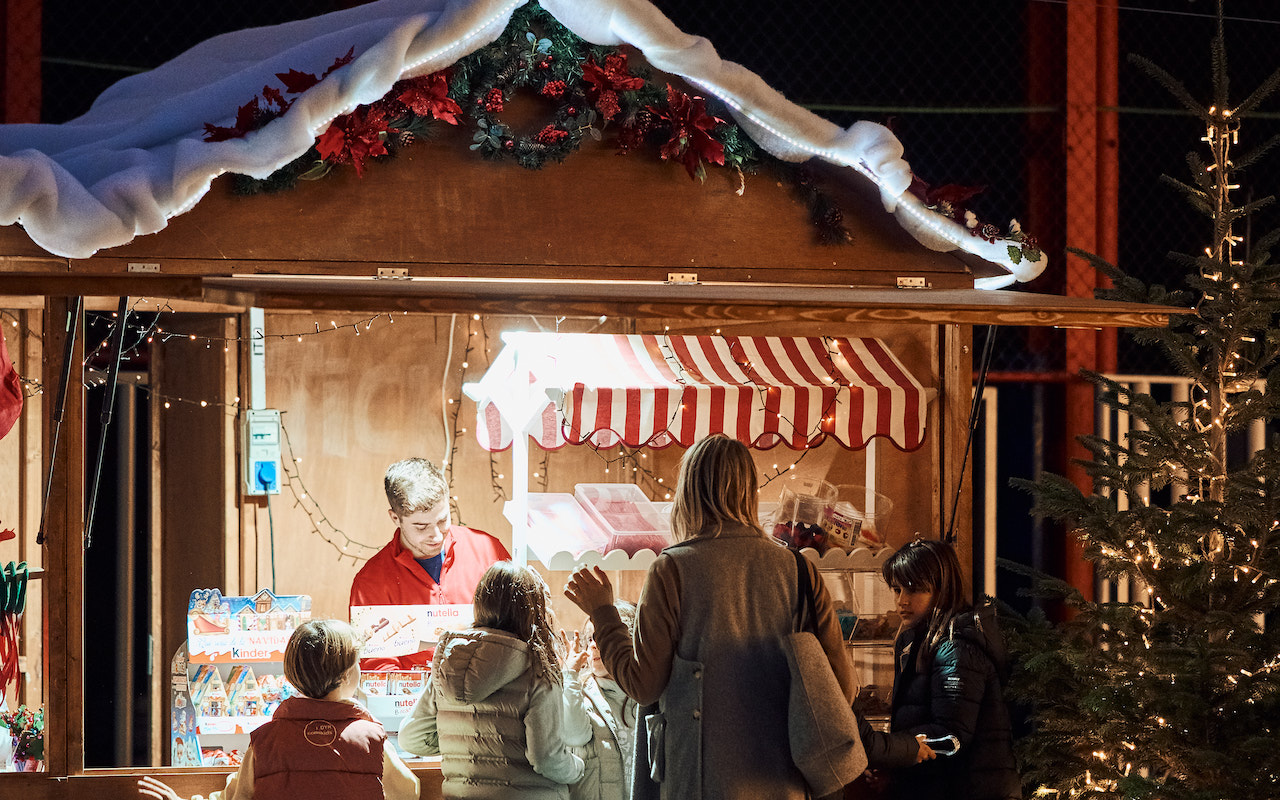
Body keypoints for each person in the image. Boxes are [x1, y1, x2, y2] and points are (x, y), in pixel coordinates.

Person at [565, 433, 858, 800]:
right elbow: (843, 688)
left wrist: (604, 615)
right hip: (785, 782)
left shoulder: (672, 570)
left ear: (689, 492)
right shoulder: (800, 571)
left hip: (698, 782)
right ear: (748, 491)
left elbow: (644, 686)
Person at [137, 619, 419, 800]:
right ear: (346, 676)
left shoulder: (266, 739)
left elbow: (236, 796)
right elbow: (409, 791)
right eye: (356, 664)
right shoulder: (370, 737)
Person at [399, 561, 585, 799]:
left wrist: (459, 743)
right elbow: (547, 759)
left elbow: (410, 737)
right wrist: (578, 767)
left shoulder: (449, 664)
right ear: (531, 609)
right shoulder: (538, 667)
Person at [860, 538, 1021, 800]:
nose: (901, 601)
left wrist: (888, 752)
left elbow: (952, 737)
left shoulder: (956, 648)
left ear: (942, 589)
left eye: (914, 589)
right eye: (896, 589)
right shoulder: (918, 641)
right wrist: (896, 773)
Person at [350, 456, 511, 670]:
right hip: (415, 690)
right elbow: (377, 665)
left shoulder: (487, 550)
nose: (436, 535)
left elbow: (518, 627)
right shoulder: (370, 582)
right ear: (395, 518)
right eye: (421, 527)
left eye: (443, 520)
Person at [561, 600, 640, 800]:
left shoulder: (646, 695)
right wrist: (570, 676)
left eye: (600, 637)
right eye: (589, 639)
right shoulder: (578, 692)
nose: (593, 645)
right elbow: (573, 735)